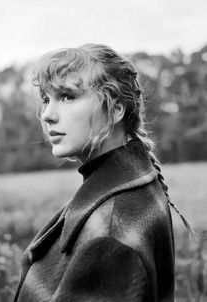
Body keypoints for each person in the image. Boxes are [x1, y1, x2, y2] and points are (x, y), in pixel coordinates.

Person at [13, 44, 193, 302]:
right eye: (46, 99)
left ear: (116, 109)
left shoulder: (111, 231)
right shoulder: (125, 185)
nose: (48, 115)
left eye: (67, 96)